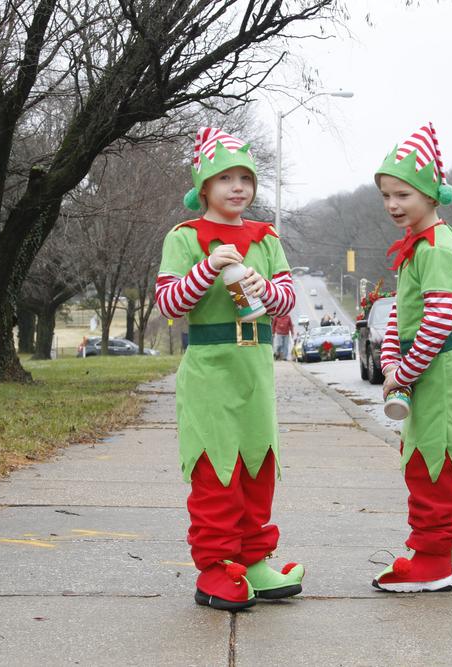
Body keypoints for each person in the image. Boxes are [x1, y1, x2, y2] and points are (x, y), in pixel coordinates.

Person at [155, 127, 304, 611]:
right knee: (216, 469)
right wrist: (207, 267)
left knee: (256, 466)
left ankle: (254, 559)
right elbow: (169, 303)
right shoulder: (185, 238)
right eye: (225, 179)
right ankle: (217, 569)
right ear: (204, 188)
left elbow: (287, 300)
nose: (238, 187)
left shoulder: (266, 237)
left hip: (255, 370)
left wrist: (265, 288)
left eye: (246, 178)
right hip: (210, 370)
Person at [372, 122, 452, 592]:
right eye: (386, 195)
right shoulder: (418, 246)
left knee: (431, 467)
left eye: (402, 194)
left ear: (431, 194)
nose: (392, 205)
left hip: (441, 370)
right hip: (430, 369)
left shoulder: (437, 247)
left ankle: (431, 564)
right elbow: (403, 318)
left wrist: (404, 370)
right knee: (430, 457)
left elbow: (440, 320)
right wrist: (390, 361)